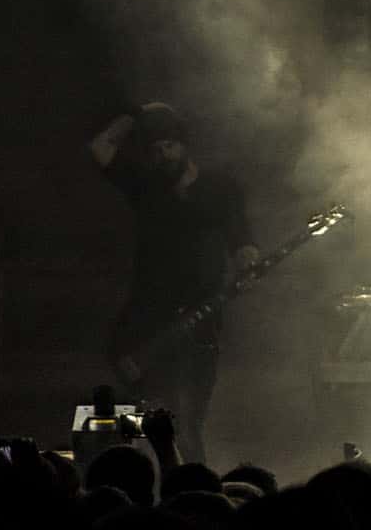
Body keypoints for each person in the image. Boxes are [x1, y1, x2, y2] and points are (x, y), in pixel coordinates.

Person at [87, 102, 254, 466]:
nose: (164, 155)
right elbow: (100, 147)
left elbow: (241, 236)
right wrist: (135, 114)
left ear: (184, 145)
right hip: (150, 314)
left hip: (202, 314)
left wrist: (246, 258)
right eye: (156, 149)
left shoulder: (219, 187)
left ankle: (191, 481)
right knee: (157, 411)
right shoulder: (145, 186)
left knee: (190, 416)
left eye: (169, 146)